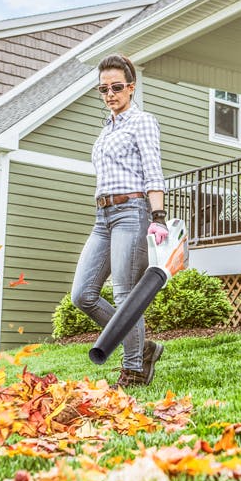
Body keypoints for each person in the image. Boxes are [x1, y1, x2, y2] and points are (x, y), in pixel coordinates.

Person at [71, 53, 168, 388]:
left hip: (133, 211)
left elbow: (153, 170)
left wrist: (158, 217)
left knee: (126, 294)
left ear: (131, 87)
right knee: (82, 294)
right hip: (103, 216)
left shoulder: (142, 122)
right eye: (103, 89)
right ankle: (142, 348)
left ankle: (134, 370)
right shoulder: (107, 128)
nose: (109, 94)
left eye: (116, 87)